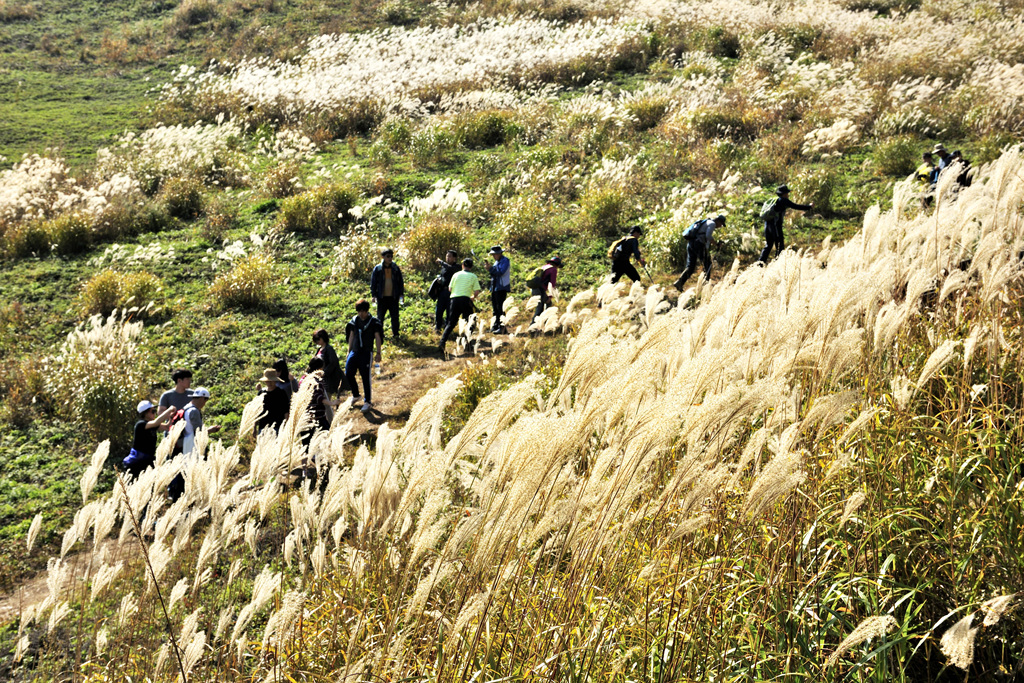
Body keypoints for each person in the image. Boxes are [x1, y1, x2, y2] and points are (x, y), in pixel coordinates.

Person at [170, 387, 221, 501]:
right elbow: (199, 432)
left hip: (184, 445)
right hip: (191, 447)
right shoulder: (194, 411)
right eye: (205, 400)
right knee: (191, 473)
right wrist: (211, 430)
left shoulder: (186, 407)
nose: (205, 403)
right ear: (202, 398)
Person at [345, 299, 384, 414]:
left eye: (363, 311)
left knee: (365, 377)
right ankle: (356, 395)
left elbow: (377, 337)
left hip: (366, 353)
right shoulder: (354, 321)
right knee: (348, 373)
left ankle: (368, 401)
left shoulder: (373, 322)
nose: (360, 313)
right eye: (359, 311)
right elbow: (351, 336)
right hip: (355, 351)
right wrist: (349, 351)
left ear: (367, 310)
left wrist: (378, 353)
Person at [758, 185, 812, 264]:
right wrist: (809, 207)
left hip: (768, 224)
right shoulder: (783, 200)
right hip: (775, 226)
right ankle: (777, 264)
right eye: (787, 193)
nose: (788, 194)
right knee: (780, 246)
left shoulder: (775, 200)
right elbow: (795, 206)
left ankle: (759, 264)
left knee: (768, 245)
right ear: (784, 193)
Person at [122, 400, 175, 480]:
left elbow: (167, 427)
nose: (154, 413)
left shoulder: (152, 424)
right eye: (153, 411)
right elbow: (156, 422)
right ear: (145, 413)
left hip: (148, 460)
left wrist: (170, 417)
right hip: (138, 462)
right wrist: (169, 409)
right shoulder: (141, 424)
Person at [439, 258, 482, 354]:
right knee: (469, 322)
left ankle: (442, 343)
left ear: (462, 265)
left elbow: (450, 289)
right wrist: (473, 297)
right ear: (471, 267)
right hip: (466, 300)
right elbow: (477, 291)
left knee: (451, 323)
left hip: (454, 300)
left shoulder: (456, 275)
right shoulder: (473, 276)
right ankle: (468, 344)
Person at [674, 215, 725, 290]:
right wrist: (716, 244)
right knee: (707, 264)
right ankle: (705, 285)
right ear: (718, 220)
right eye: (721, 224)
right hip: (698, 244)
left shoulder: (706, 222)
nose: (720, 226)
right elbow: (708, 236)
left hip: (691, 243)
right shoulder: (712, 223)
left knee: (690, 266)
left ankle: (679, 282)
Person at [300, 357, 339, 443]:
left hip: (304, 418)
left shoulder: (303, 379)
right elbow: (318, 397)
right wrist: (331, 403)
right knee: (327, 441)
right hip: (317, 417)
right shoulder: (317, 380)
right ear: (320, 368)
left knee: (307, 446)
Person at [369, 248, 404, 340]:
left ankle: (396, 334)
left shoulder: (395, 268)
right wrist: (373, 295)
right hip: (382, 297)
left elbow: (400, 281)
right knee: (380, 318)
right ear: (383, 257)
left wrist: (401, 294)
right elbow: (373, 283)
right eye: (388, 256)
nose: (390, 258)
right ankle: (380, 335)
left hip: (393, 297)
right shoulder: (378, 268)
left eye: (391, 256)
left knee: (395, 317)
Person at [255, 368, 290, 435]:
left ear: (275, 381)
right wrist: (254, 428)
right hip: (262, 427)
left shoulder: (281, 393)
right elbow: (256, 412)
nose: (269, 383)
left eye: (271, 381)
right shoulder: (261, 393)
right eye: (267, 381)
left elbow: (286, 410)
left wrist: (286, 426)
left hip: (277, 427)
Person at [529, 256, 562, 322]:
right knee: (541, 307)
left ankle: (542, 322)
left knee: (542, 305)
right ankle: (537, 325)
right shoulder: (553, 269)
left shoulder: (544, 267)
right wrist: (550, 295)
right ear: (557, 264)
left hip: (534, 288)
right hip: (539, 289)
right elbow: (552, 283)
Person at [434, 250, 460, 332]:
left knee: (450, 312)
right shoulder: (443, 267)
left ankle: (447, 329)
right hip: (442, 291)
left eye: (449, 256)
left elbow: (450, 269)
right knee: (439, 310)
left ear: (454, 258)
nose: (447, 258)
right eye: (447, 256)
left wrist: (441, 262)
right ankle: (438, 327)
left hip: (452, 292)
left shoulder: (457, 267)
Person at [487, 245, 511, 334]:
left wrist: (490, 269)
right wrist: (490, 269)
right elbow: (493, 274)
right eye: (493, 254)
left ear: (500, 253)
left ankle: (502, 327)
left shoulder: (505, 261)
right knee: (495, 308)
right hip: (495, 287)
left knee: (500, 307)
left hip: (501, 287)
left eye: (495, 254)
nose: (494, 256)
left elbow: (500, 272)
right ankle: (496, 325)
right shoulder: (496, 262)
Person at [313, 328, 343, 398]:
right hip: (321, 379)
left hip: (328, 379)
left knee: (326, 397)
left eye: (318, 339)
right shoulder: (319, 350)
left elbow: (333, 363)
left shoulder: (329, 349)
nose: (317, 341)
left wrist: (324, 372)